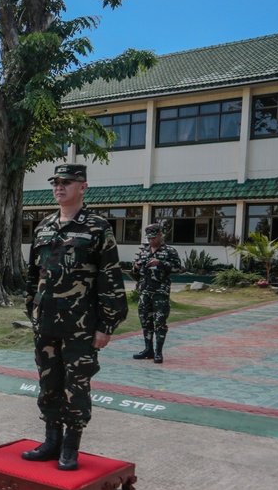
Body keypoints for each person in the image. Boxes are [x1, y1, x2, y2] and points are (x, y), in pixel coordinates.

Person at [22, 163, 128, 471]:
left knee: (76, 385)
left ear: (82, 186)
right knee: (48, 382)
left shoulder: (97, 227)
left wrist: (106, 325)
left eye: (67, 182)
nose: (59, 187)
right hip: (46, 323)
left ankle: (70, 446)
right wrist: (33, 311)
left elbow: (110, 278)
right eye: (56, 182)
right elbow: (33, 275)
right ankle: (51, 441)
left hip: (80, 325)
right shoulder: (44, 226)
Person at [132, 223, 182, 364]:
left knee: (160, 322)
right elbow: (136, 268)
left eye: (153, 238)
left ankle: (158, 352)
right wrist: (136, 266)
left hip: (160, 292)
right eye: (149, 238)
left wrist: (160, 263)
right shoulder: (144, 250)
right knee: (145, 321)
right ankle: (148, 349)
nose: (151, 241)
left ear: (160, 235)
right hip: (145, 291)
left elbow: (178, 268)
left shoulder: (169, 251)